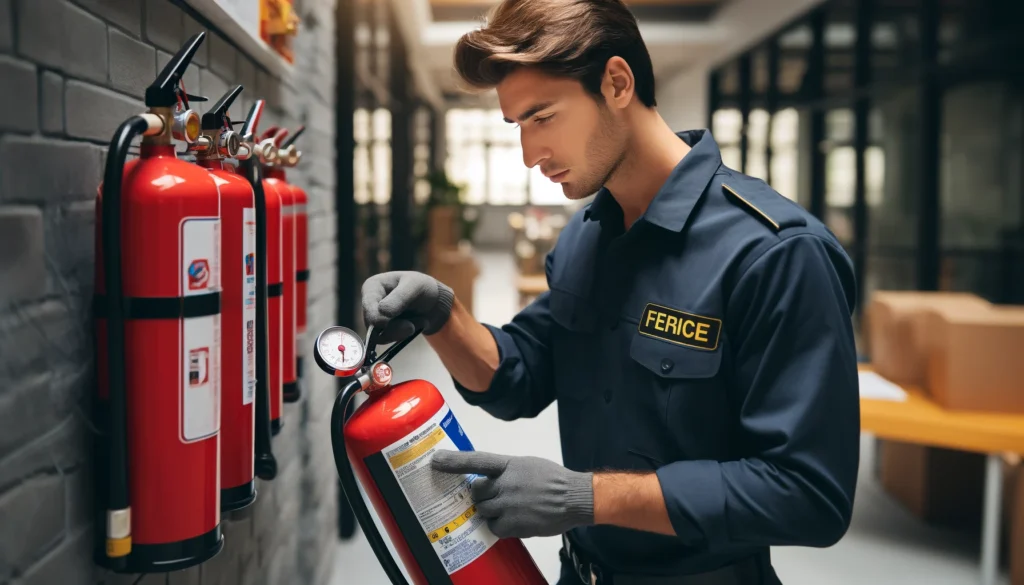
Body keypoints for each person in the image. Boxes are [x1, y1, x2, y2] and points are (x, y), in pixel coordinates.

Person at [360, 0, 861, 583]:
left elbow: (809, 495)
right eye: (517, 125)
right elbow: (519, 375)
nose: (529, 155)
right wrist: (442, 314)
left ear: (617, 83)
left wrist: (587, 496)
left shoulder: (775, 253)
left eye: (542, 117)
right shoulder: (588, 234)